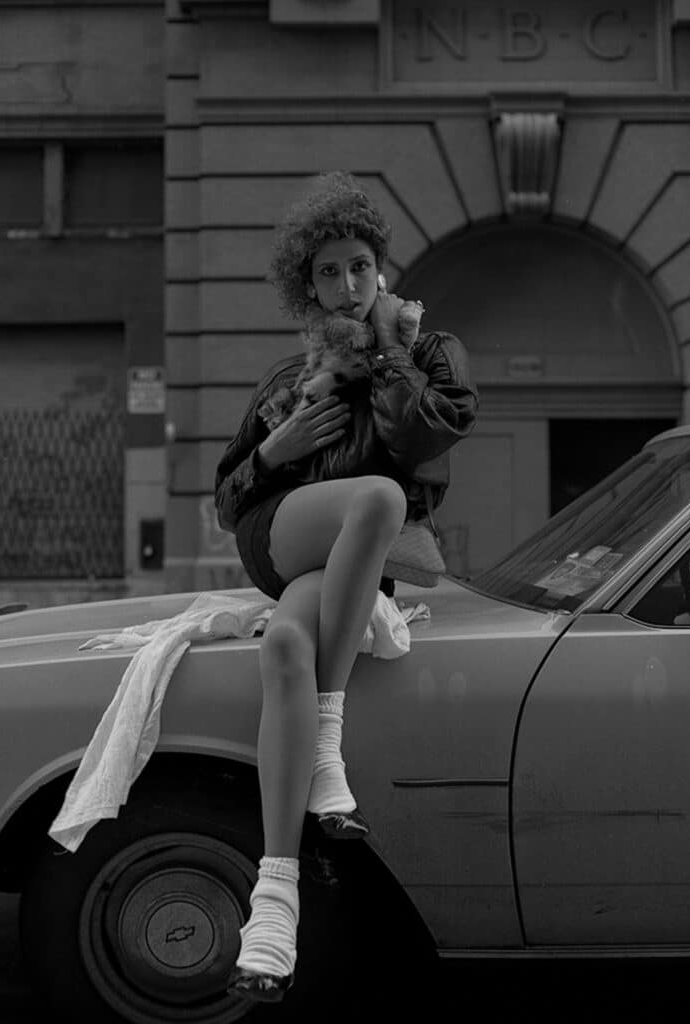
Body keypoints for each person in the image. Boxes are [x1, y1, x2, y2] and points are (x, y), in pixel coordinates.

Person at [214, 171, 478, 1002]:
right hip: (283, 535)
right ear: (308, 284)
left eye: (358, 266)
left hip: (358, 570)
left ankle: (275, 893)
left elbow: (426, 431)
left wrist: (386, 346)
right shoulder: (286, 379)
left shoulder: (430, 352)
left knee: (288, 644)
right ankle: (328, 736)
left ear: (380, 268)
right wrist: (276, 448)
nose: (346, 286)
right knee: (374, 495)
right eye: (327, 273)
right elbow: (228, 503)